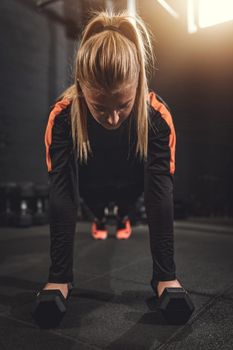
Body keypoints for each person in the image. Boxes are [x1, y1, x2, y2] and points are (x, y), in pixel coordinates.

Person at [42, 10, 183, 304]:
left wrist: (166, 276)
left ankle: (121, 218)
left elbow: (159, 194)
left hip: (131, 184)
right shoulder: (63, 117)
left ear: (139, 82)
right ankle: (100, 218)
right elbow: (63, 194)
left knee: (125, 211)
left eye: (123, 104)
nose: (113, 118)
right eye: (100, 108)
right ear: (81, 86)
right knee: (96, 209)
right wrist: (58, 278)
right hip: (91, 184)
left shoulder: (157, 117)